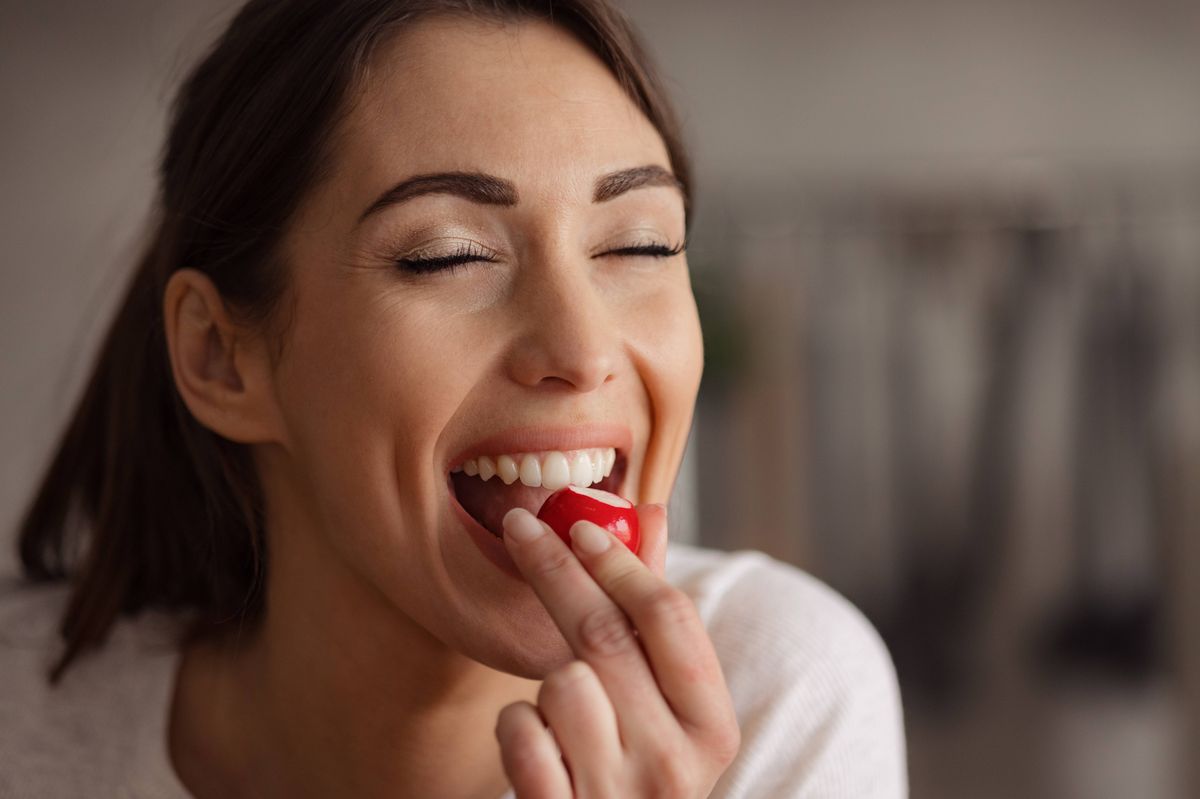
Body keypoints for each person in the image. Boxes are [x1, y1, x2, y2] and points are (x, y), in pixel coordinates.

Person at [2, 0, 907, 796]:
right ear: (220, 356)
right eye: (448, 255)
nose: (582, 350)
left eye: (637, 245)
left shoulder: (783, 693)